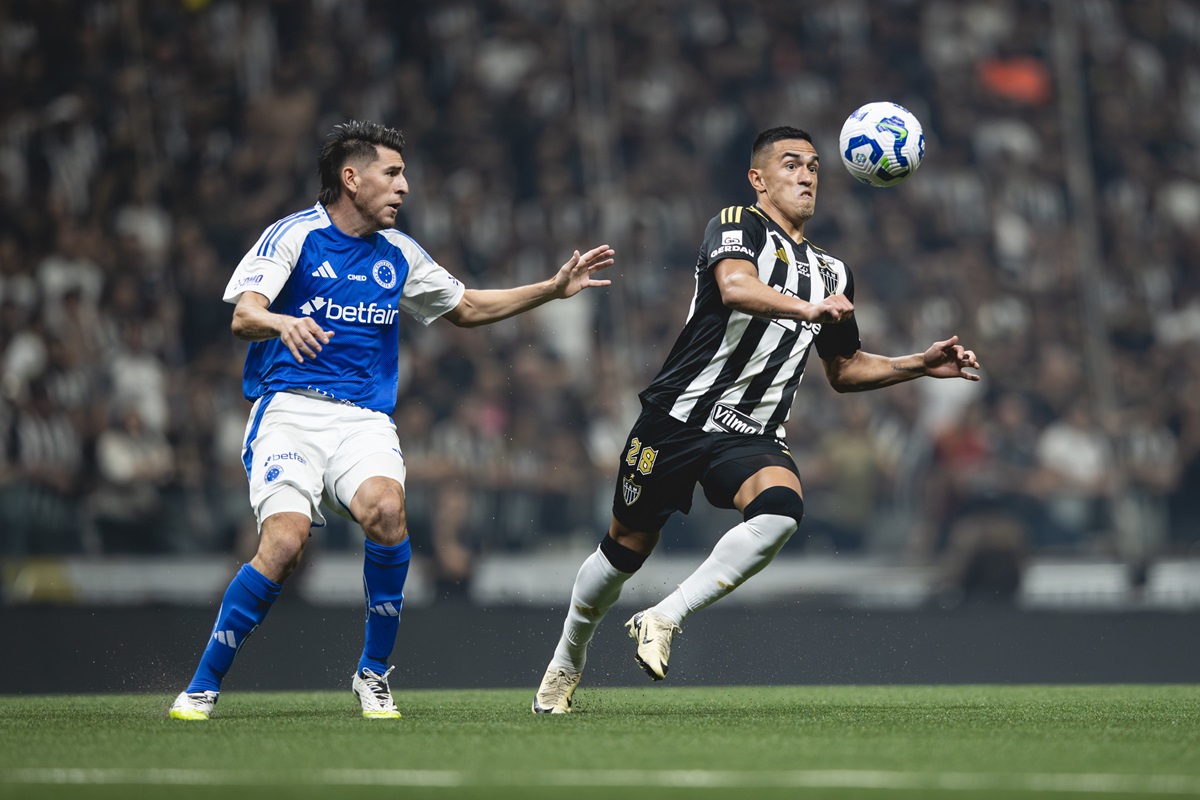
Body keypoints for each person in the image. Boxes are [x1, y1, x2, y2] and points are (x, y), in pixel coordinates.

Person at [169, 120, 613, 721]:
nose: (404, 187)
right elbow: (244, 315)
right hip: (289, 410)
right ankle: (202, 686)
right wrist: (281, 322)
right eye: (393, 173)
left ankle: (372, 674)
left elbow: (467, 306)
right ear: (352, 178)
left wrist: (552, 289)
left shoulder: (398, 253)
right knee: (285, 544)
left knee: (386, 511)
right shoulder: (294, 236)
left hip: (364, 418)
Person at [532, 126, 980, 714]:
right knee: (625, 549)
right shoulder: (736, 224)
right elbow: (736, 287)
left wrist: (917, 364)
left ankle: (664, 615)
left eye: (814, 167)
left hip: (751, 432)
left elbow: (844, 368)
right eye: (791, 164)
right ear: (758, 179)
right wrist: (807, 309)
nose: (806, 175)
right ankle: (567, 660)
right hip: (678, 417)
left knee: (780, 513)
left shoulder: (833, 272)